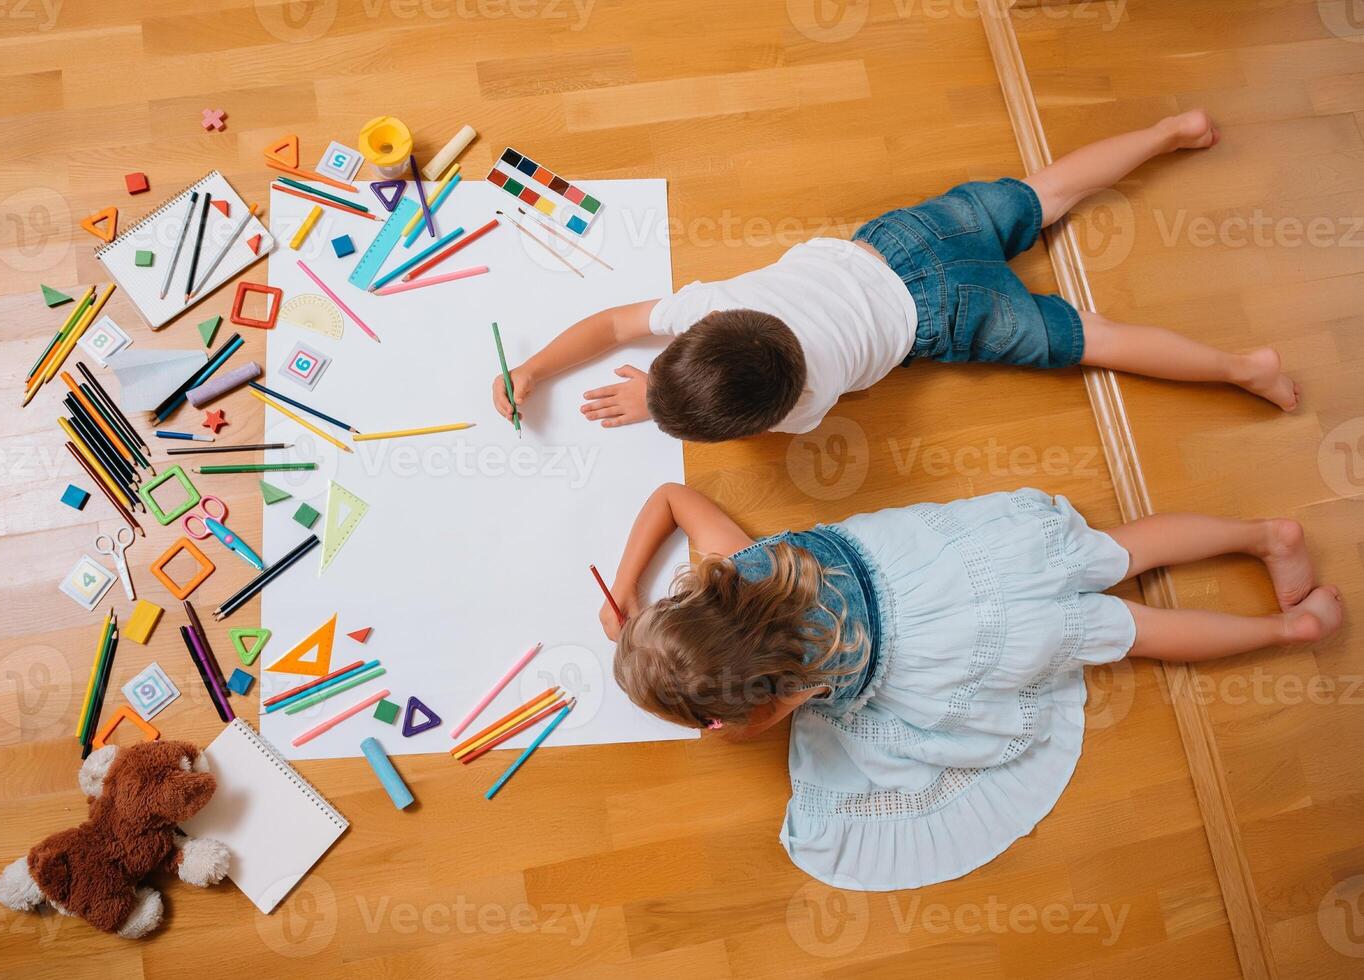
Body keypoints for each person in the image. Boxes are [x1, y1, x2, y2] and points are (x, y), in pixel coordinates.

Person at [602, 482, 1341, 889]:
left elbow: (758, 723)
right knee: (1116, 551)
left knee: (1129, 631)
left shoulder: (785, 688)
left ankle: (1287, 632)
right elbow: (670, 493)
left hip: (957, 647)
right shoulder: (750, 562)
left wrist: (732, 723)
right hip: (962, 562)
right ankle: (1263, 534)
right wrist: (626, 593)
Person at [492, 110, 1297, 442]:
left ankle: (1242, 369)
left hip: (955, 318)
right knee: (1047, 191)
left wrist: (636, 400)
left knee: (1093, 341)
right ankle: (1171, 129)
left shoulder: (802, 410)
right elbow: (612, 325)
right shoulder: (710, 303)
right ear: (700, 331)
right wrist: (531, 367)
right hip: (904, 243)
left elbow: (776, 411)